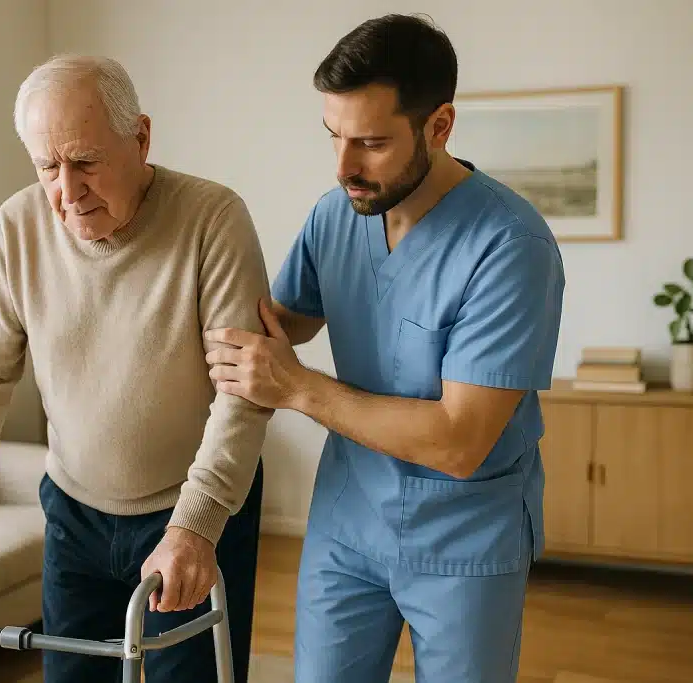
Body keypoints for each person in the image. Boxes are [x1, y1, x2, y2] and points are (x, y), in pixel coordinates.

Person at [205, 14, 565, 683]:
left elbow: (460, 440)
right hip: (348, 521)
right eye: (333, 136)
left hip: (466, 535)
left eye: (370, 143)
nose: (344, 167)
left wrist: (298, 387)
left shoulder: (511, 246)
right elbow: (280, 323)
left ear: (440, 126)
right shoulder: (335, 214)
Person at [0, 55, 274, 683]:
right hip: (74, 508)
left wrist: (197, 523)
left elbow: (243, 392)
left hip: (193, 507)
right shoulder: (17, 227)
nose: (67, 192)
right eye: (48, 166)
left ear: (142, 138)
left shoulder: (214, 218)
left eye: (86, 162)